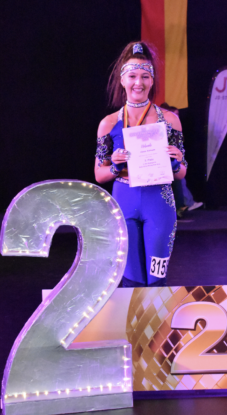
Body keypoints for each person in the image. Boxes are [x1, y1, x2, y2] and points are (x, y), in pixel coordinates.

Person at [94, 41, 187, 287]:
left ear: (152, 80)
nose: (139, 82)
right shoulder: (108, 123)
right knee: (131, 281)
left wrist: (175, 163)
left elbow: (182, 171)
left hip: (159, 202)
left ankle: (158, 314)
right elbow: (99, 174)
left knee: (157, 279)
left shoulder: (170, 121)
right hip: (124, 201)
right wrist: (114, 166)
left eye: (145, 76)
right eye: (133, 76)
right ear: (122, 80)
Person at [160, 102, 203, 218]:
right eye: (174, 114)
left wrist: (178, 159)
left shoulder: (175, 127)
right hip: (161, 162)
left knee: (179, 181)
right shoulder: (160, 126)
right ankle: (183, 205)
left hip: (173, 162)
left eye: (178, 114)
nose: (176, 116)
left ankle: (182, 206)